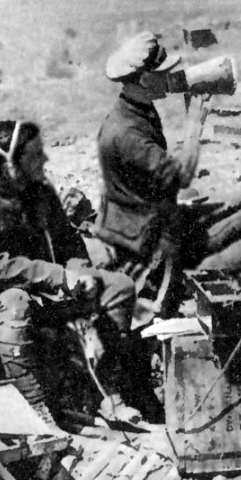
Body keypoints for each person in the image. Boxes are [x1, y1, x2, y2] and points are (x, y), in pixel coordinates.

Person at [0, 119, 141, 423]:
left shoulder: (41, 192)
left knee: (119, 287)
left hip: (37, 287)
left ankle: (104, 391)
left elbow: (69, 242)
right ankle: (36, 413)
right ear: (10, 166)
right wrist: (60, 278)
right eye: (36, 155)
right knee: (14, 302)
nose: (45, 159)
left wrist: (80, 273)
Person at [95, 31, 210, 317]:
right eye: (162, 73)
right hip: (138, 237)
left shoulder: (133, 110)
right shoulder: (129, 133)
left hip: (130, 220)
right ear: (145, 79)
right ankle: (159, 308)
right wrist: (195, 122)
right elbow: (182, 176)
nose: (169, 77)